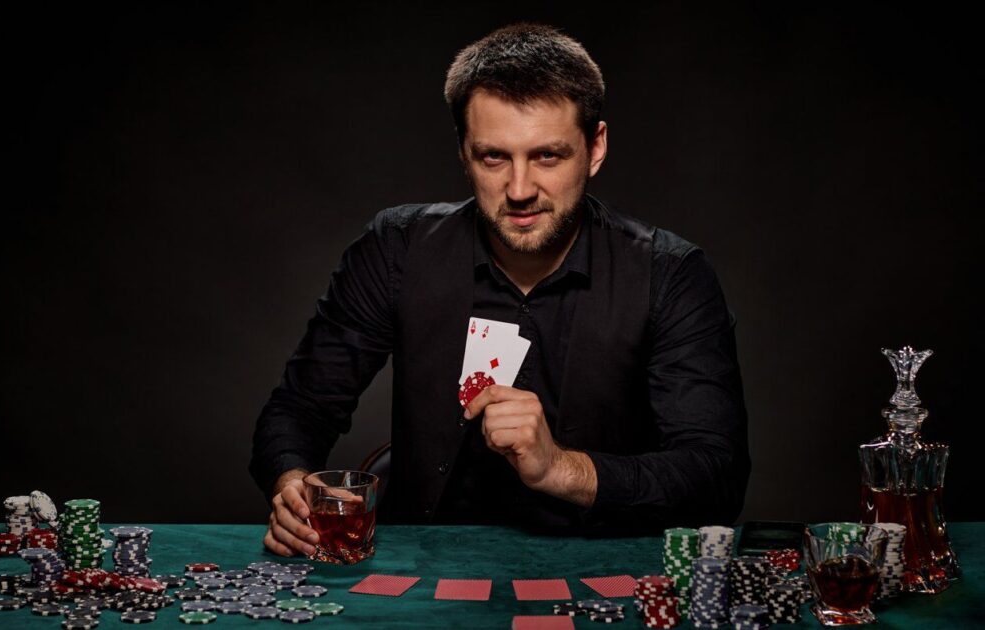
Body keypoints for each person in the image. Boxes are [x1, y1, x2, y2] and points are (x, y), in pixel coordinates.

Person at [250, 23, 750, 557]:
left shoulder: (671, 274)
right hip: (424, 566)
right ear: (463, 152)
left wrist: (560, 467)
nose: (519, 190)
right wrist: (291, 484)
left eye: (548, 156)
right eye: (494, 157)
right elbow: (299, 408)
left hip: (599, 570)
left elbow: (715, 477)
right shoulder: (396, 248)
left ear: (595, 147)